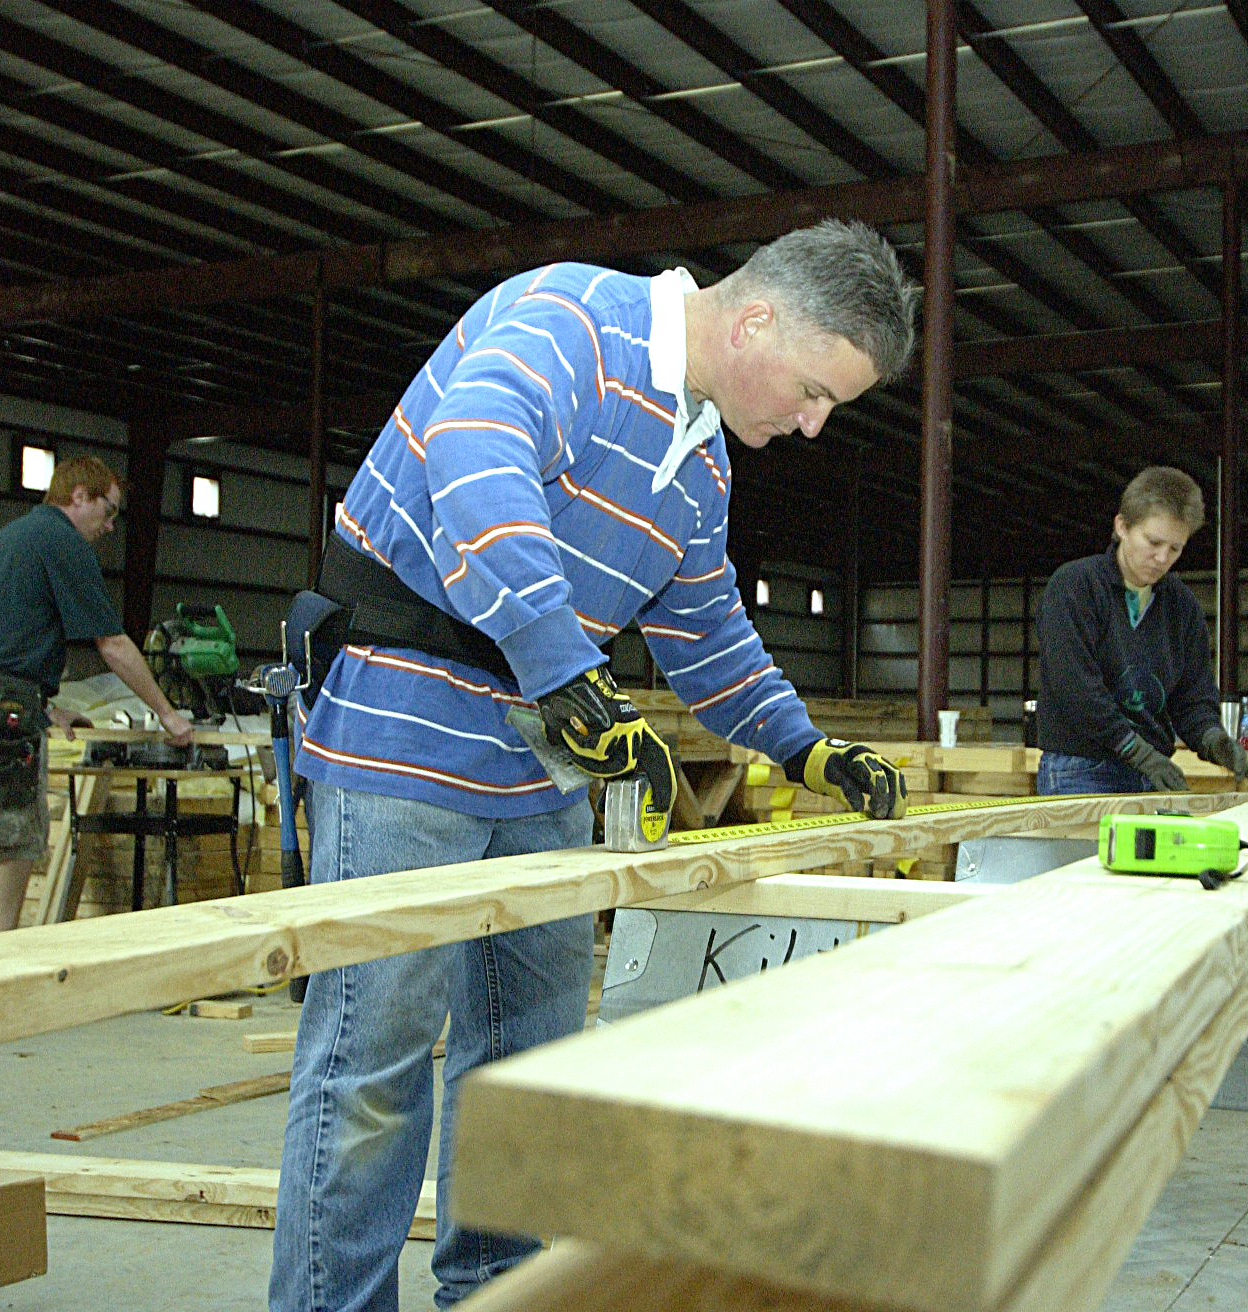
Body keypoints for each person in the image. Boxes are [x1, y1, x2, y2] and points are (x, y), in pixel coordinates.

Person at [272, 219, 920, 1311]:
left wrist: (801, 744)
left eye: (829, 409)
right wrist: (561, 664)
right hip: (402, 739)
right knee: (373, 1064)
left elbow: (706, 629)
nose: (810, 425)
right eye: (812, 390)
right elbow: (473, 459)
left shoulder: (700, 455)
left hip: (535, 768)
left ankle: (498, 1293)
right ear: (756, 317)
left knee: (528, 1063)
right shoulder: (570, 319)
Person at [0, 457, 194, 945]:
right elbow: (113, 645)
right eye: (108, 512)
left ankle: (6, 951)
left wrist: (44, 708)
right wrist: (169, 715)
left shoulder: (9, 539)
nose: (109, 526)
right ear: (79, 494)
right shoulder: (62, 542)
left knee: (21, 838)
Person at [1033, 466, 1248, 796]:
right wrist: (1137, 752)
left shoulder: (1181, 604)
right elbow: (1076, 689)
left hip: (1152, 772)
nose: (1161, 558)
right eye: (1153, 542)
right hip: (1081, 769)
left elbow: (1192, 695)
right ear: (1122, 526)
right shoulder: (1075, 587)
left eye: (1175, 548)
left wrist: (1212, 737)